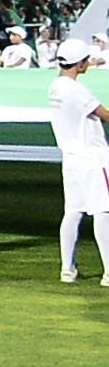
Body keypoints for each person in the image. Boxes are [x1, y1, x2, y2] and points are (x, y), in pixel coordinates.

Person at [52, 42, 105, 282]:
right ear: (80, 62)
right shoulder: (75, 89)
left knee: (73, 212)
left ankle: (67, 268)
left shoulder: (55, 86)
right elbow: (102, 113)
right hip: (92, 157)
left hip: (71, 157)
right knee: (103, 211)